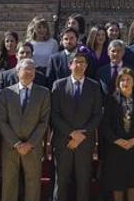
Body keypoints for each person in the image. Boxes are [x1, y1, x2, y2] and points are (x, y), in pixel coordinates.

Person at [50, 52, 103, 201]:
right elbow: (54, 114)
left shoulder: (94, 86)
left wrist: (81, 135)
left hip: (85, 143)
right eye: (76, 62)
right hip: (63, 141)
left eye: (82, 62)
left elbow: (98, 114)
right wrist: (72, 134)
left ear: (86, 66)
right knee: (61, 182)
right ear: (70, 65)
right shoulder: (58, 85)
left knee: (83, 182)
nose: (79, 65)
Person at [0, 58, 51, 201]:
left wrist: (30, 143)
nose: (28, 72)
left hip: (32, 147)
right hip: (10, 147)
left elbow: (43, 122)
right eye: (25, 69)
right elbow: (2, 121)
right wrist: (16, 143)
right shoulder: (6, 93)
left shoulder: (44, 93)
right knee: (9, 184)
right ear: (17, 72)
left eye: (32, 69)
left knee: (33, 184)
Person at [101, 67, 134, 201]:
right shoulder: (110, 100)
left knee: (133, 182)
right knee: (117, 182)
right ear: (118, 83)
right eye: (122, 80)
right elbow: (105, 124)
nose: (125, 82)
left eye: (128, 79)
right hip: (116, 147)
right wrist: (117, 140)